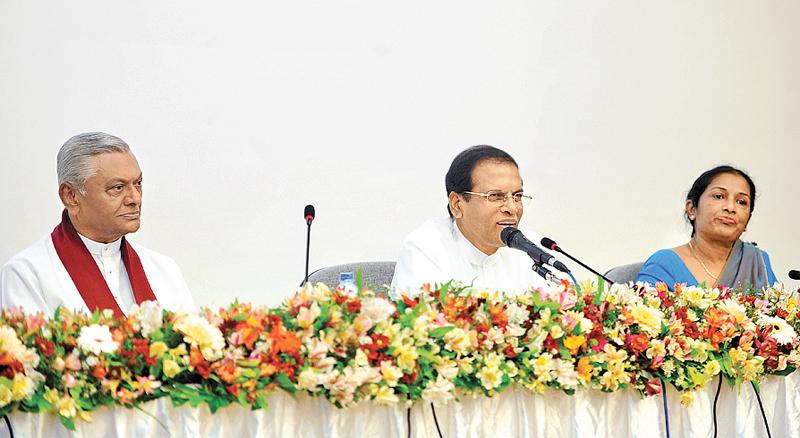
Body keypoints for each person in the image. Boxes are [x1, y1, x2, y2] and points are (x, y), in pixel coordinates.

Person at [0, 132, 196, 316]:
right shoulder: (27, 274)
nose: (135, 198)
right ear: (72, 196)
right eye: (117, 188)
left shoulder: (163, 269)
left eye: (138, 184)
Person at [391, 145, 559, 293]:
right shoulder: (425, 249)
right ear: (457, 204)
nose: (512, 208)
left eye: (517, 196)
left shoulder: (533, 249)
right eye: (495, 196)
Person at [636, 165, 778, 290]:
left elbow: (780, 317)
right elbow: (639, 316)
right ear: (692, 209)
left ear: (747, 221)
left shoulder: (758, 262)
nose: (730, 208)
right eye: (718, 196)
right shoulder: (664, 264)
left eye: (741, 202)